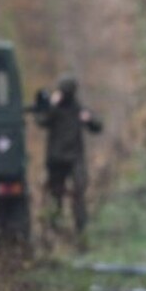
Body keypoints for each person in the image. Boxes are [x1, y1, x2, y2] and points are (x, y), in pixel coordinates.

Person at [35, 76, 101, 237]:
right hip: (57, 159)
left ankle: (80, 228)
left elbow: (97, 127)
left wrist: (89, 119)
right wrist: (50, 105)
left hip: (73, 158)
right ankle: (55, 229)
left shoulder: (78, 110)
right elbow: (41, 121)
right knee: (55, 195)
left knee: (79, 191)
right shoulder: (54, 109)